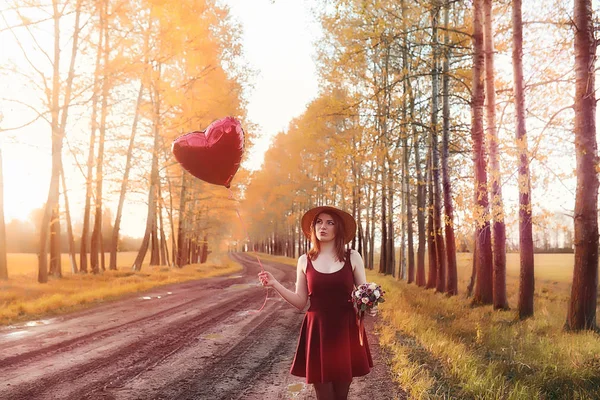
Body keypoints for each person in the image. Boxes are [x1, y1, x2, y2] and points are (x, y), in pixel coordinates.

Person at [258, 205, 376, 400]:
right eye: (319, 222)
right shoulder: (305, 260)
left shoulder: (352, 256)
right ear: (313, 228)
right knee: (324, 394)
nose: (323, 227)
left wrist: (371, 305)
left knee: (341, 394)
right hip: (317, 330)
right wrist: (274, 283)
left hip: (346, 329)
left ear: (338, 228)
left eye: (330, 223)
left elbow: (364, 294)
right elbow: (300, 301)